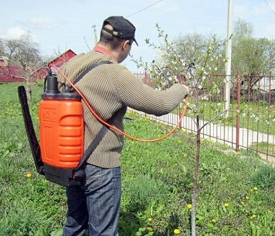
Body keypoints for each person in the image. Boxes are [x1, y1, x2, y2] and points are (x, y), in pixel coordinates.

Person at [57, 16, 189, 236]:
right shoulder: (115, 73)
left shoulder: (72, 64)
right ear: (126, 44)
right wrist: (181, 89)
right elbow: (160, 104)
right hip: (100, 165)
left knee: (75, 225)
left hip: (70, 160)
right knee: (104, 232)